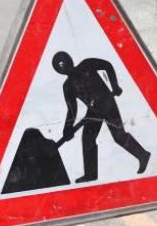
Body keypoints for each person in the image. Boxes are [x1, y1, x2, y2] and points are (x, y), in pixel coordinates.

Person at [52, 51, 150, 183]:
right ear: (58, 71)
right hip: (93, 112)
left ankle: (143, 155)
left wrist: (114, 85)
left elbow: (107, 65)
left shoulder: (86, 64)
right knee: (87, 140)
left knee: (118, 136)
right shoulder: (68, 86)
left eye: (64, 62)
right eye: (60, 66)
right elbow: (72, 109)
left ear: (70, 60)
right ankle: (91, 174)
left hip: (107, 103)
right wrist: (67, 128)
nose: (64, 67)